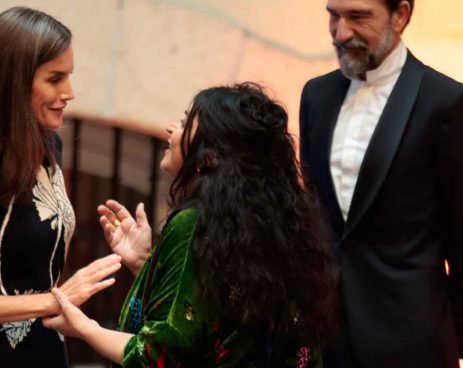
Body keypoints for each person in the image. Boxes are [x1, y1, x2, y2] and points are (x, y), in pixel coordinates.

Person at [43, 83, 337, 367]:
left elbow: (160, 357)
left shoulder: (194, 223)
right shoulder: (268, 231)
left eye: (184, 122)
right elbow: (215, 317)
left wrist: (83, 327)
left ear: (207, 158)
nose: (171, 128)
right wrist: (146, 264)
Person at [0, 7, 122, 367]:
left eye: (69, 77)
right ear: (13, 81)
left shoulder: (48, 145)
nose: (70, 92)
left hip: (45, 352)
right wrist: (56, 299)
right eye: (55, 78)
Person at [299, 0, 463, 366]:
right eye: (333, 16)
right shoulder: (315, 96)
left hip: (411, 341)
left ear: (401, 15)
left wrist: (452, 338)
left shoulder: (447, 102)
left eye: (358, 16)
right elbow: (313, 221)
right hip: (326, 336)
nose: (341, 33)